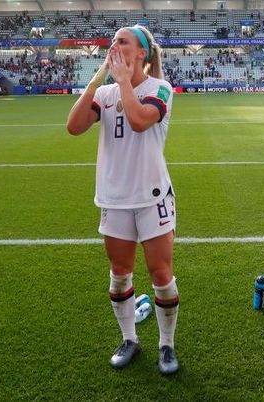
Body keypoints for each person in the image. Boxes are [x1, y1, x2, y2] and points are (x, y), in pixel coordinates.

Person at [66, 25, 180, 375]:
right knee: (119, 274)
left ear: (141, 53)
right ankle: (129, 338)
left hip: (152, 197)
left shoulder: (159, 88)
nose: (115, 45)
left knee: (161, 275)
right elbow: (73, 126)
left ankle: (167, 345)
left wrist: (124, 83)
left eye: (123, 41)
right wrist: (100, 76)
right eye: (113, 41)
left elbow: (139, 119)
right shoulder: (106, 92)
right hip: (114, 198)